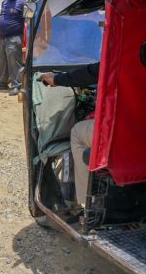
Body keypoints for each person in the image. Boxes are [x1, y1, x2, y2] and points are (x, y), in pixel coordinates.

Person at [38, 62, 100, 208]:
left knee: (78, 132)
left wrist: (58, 79)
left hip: (125, 129)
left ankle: (87, 204)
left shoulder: (122, 54)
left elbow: (94, 71)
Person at [0, 0, 26, 96]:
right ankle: (2, 83)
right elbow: (2, 16)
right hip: (3, 37)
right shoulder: (5, 2)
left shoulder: (22, 3)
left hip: (14, 38)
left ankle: (17, 85)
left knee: (14, 62)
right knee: (3, 61)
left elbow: (27, 19)